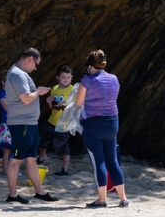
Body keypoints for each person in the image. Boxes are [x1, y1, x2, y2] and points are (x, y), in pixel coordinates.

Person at [74, 49, 128, 208]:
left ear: (90, 65)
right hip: (112, 122)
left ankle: (102, 199)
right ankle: (123, 198)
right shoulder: (114, 79)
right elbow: (112, 98)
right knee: (112, 161)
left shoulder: (87, 80)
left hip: (92, 124)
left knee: (99, 162)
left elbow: (78, 103)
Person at [4, 47, 59, 204]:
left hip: (30, 124)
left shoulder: (20, 74)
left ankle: (40, 191)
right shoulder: (17, 74)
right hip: (21, 124)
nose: (35, 68)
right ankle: (12, 194)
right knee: (16, 160)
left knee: (31, 158)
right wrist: (39, 91)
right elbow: (26, 98)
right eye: (36, 64)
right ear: (29, 59)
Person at [40, 64, 74, 176]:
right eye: (63, 77)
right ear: (57, 77)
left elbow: (77, 105)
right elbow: (52, 107)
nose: (66, 79)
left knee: (63, 147)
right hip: (52, 120)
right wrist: (49, 103)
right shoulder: (54, 88)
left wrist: (65, 104)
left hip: (63, 123)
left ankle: (65, 170)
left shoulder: (72, 89)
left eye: (68, 77)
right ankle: (42, 157)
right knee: (42, 140)